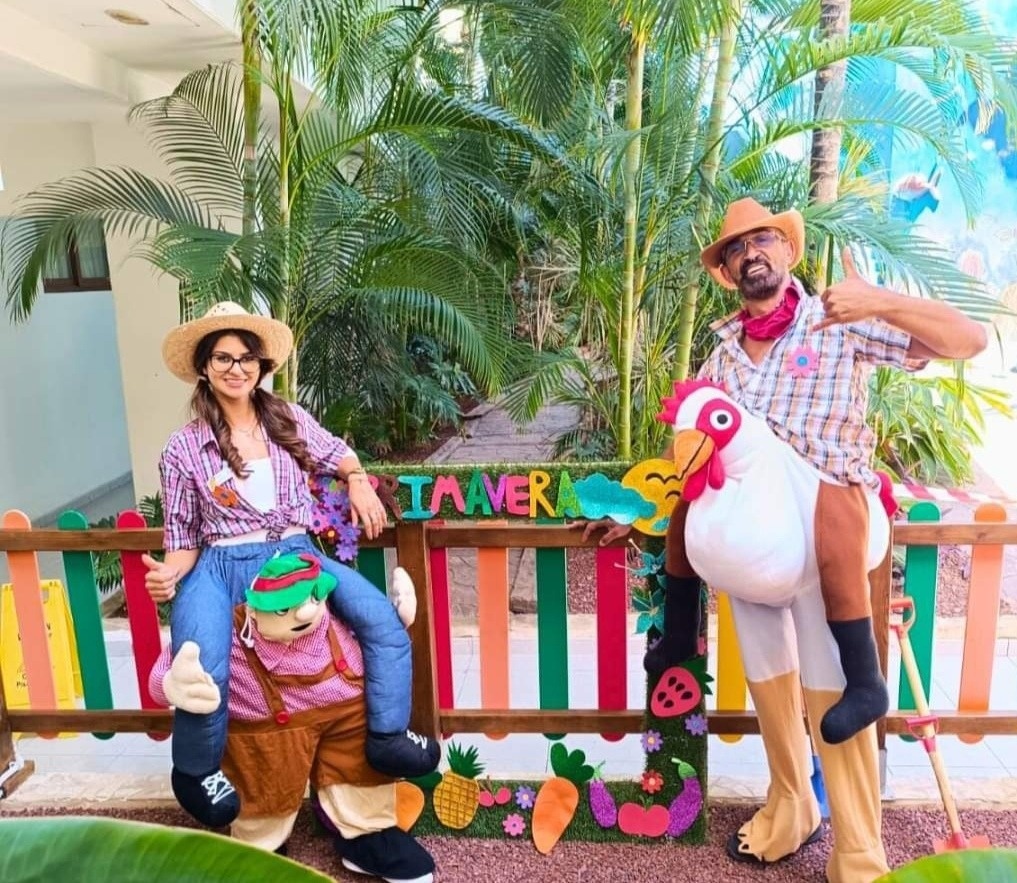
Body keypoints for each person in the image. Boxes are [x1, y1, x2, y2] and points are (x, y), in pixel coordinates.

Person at [587, 197, 986, 880]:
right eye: (735, 248)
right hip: (753, 543)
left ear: (787, 250)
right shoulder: (720, 357)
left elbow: (965, 341)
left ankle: (858, 845)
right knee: (770, 683)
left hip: (824, 530)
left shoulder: (837, 322)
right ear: (725, 269)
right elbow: (691, 454)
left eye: (763, 239)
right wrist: (635, 511)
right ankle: (789, 802)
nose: (751, 254)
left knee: (831, 686)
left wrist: (876, 299)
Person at [143, 301, 440, 829]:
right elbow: (184, 536)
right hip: (220, 562)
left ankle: (389, 737)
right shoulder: (183, 447)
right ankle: (195, 770)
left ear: (261, 366)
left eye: (247, 358)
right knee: (199, 664)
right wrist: (170, 573)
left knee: (383, 623)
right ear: (204, 368)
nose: (237, 368)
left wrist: (355, 481)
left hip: (296, 555)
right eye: (223, 358)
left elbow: (338, 453)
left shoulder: (287, 417)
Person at [149, 553, 436, 883]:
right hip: (264, 724)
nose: (304, 612)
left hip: (344, 717)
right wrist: (173, 683)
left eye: (313, 597)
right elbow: (164, 679)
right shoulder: (225, 629)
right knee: (266, 788)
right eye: (283, 607)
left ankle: (368, 837)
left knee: (357, 768)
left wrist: (394, 618)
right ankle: (260, 849)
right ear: (254, 608)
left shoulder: (332, 616)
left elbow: (369, 637)